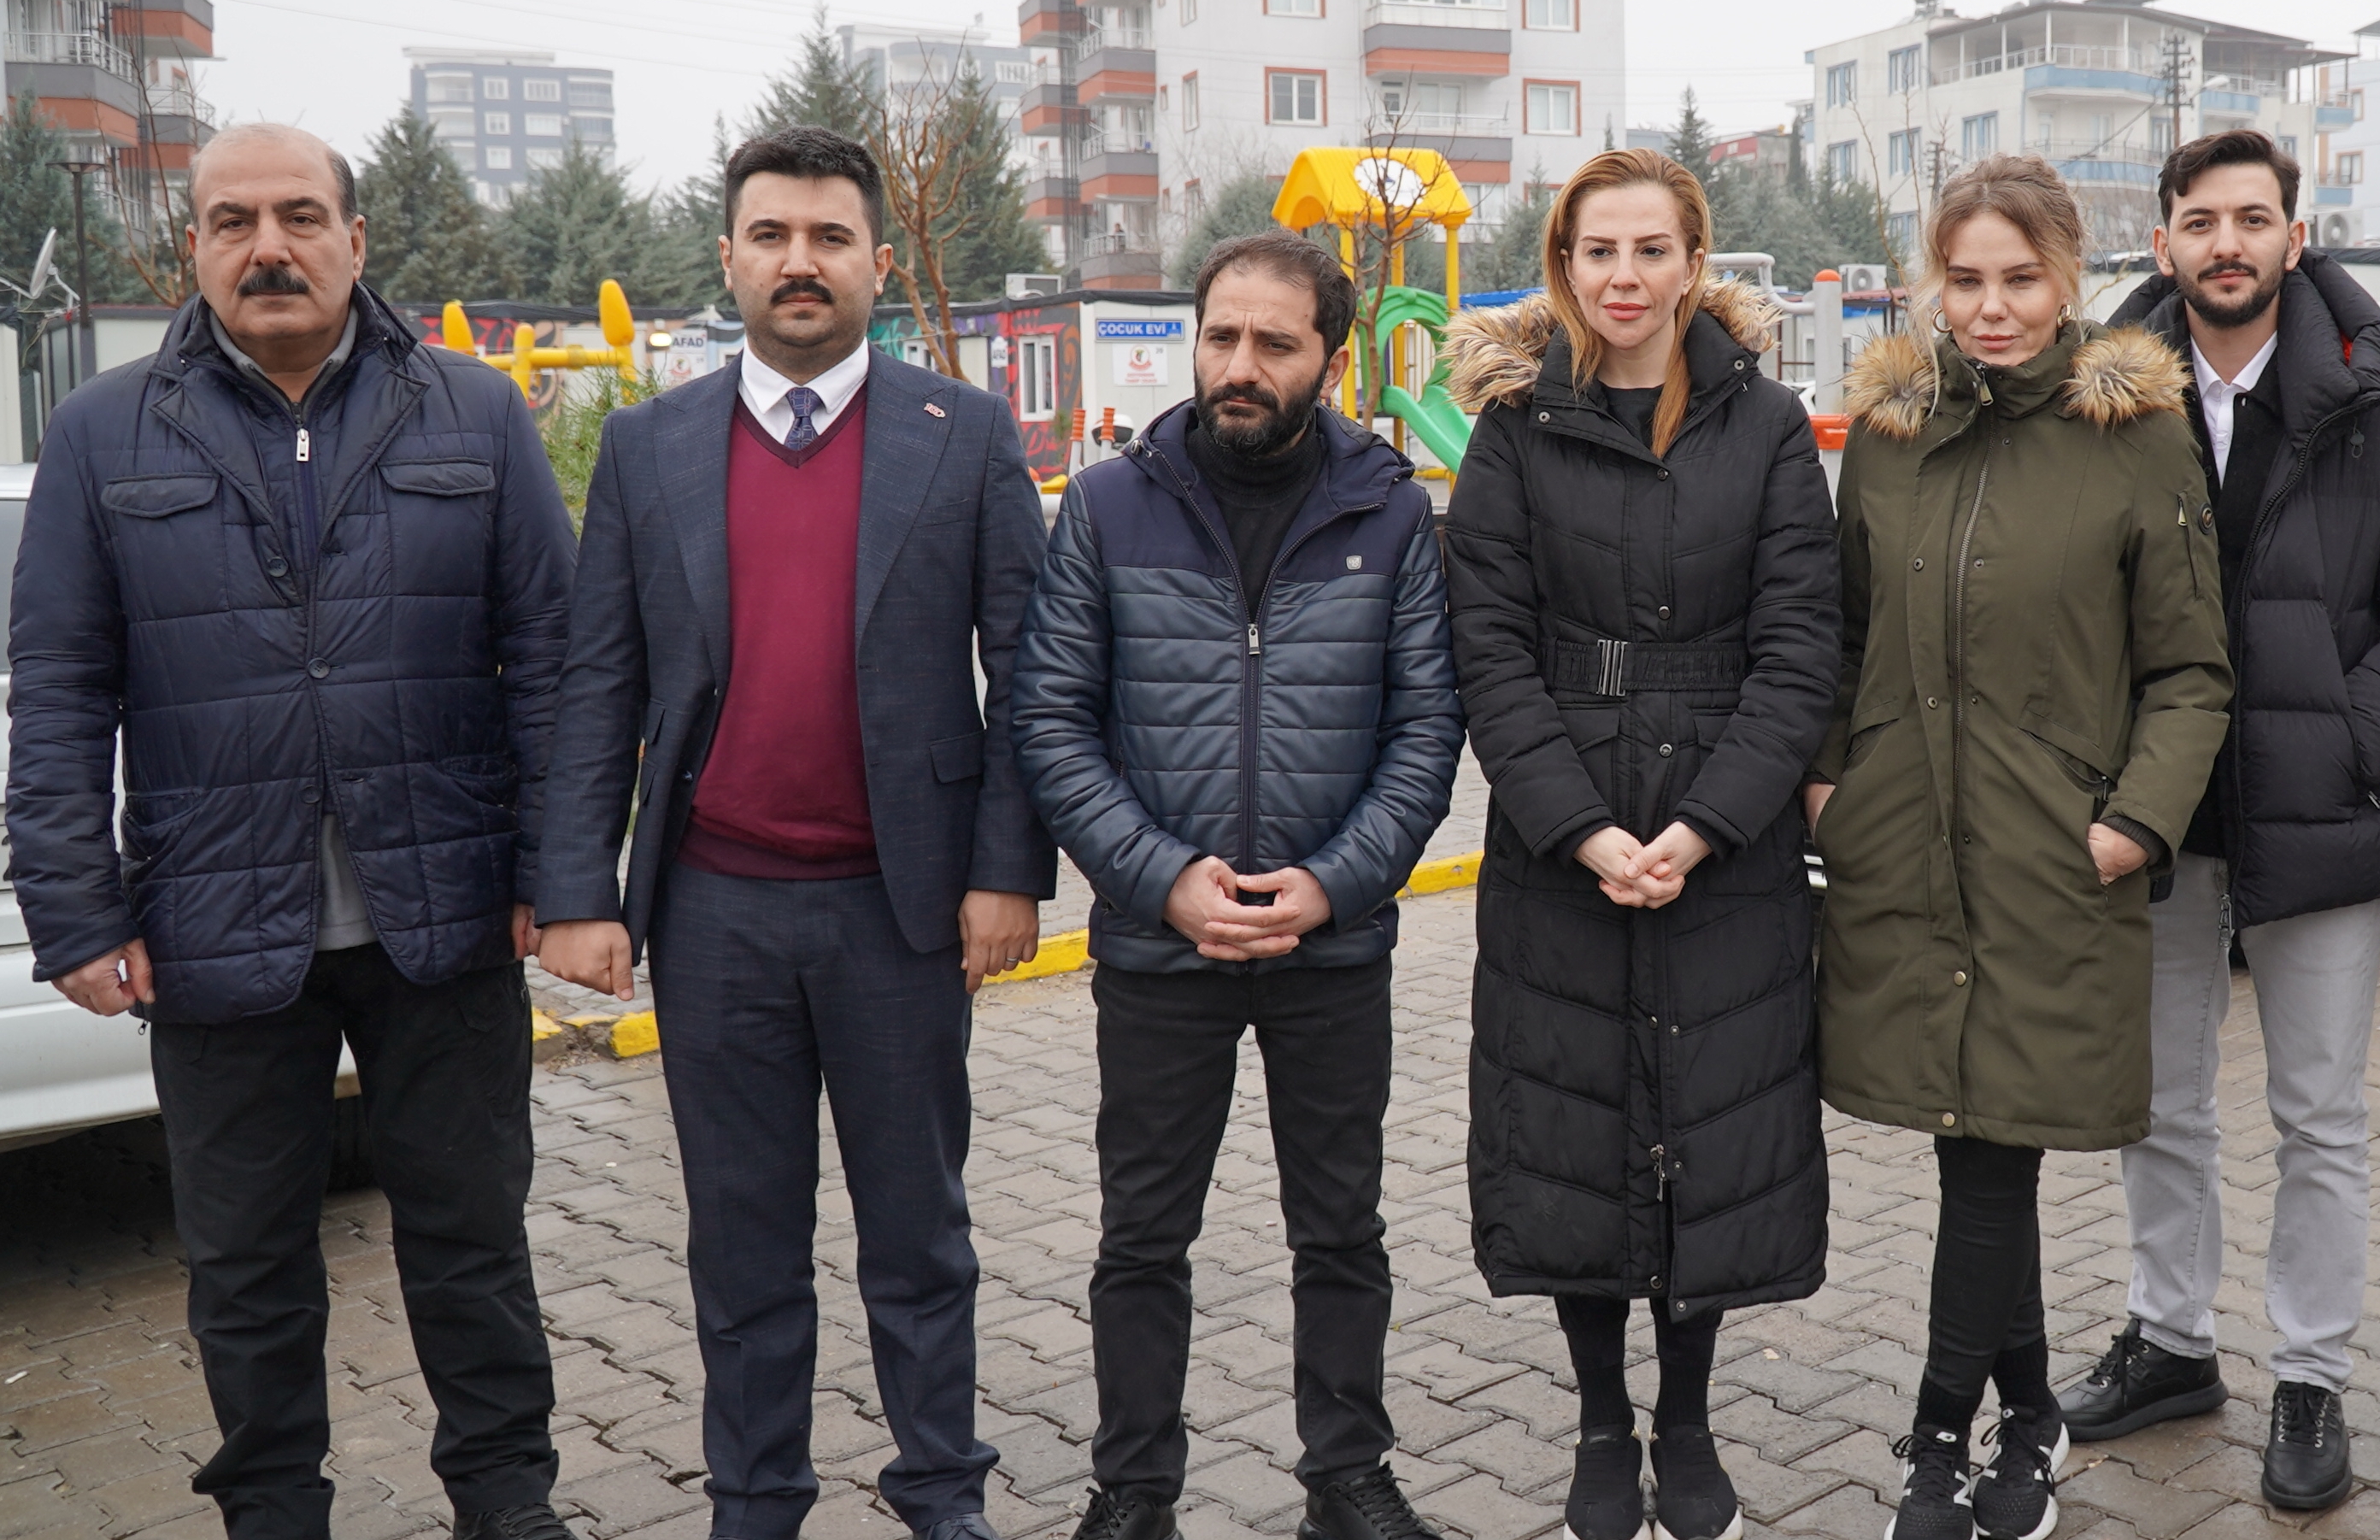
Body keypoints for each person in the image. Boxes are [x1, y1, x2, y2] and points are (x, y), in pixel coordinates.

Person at [9, 124, 576, 1540]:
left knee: (472, 1243)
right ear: (193, 247)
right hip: (212, 930)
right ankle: (272, 1513)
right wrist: (75, 910)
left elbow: (555, 663)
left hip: (446, 919)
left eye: (300, 216)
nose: (269, 247)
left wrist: (562, 874)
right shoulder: (103, 434)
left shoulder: (474, 413)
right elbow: (60, 687)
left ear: (355, 239)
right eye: (234, 221)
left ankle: (507, 1504)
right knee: (247, 1268)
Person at [535, 127, 1056, 1540]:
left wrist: (1006, 870)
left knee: (920, 1236)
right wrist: (578, 887)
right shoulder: (649, 447)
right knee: (742, 1243)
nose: (801, 262)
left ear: (877, 262)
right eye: (772, 236)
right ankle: (755, 1502)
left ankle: (942, 1493)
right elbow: (599, 680)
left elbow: (1031, 672)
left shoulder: (965, 436)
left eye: (830, 237)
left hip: (901, 913)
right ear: (730, 259)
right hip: (716, 914)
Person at [2056, 131, 2380, 1508]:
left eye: (2254, 218)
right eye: (2201, 221)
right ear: (2163, 243)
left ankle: (2309, 1377)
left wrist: (2349, 748)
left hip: (2324, 811)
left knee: (2319, 1113)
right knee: (2158, 1099)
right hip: (2157, 812)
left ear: (2295, 237)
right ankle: (2172, 1341)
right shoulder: (2098, 403)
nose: (2228, 243)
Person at [1012, 230, 1463, 1540]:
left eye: (1275, 342)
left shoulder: (1391, 512)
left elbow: (1426, 731)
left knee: (1342, 1232)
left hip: (1333, 947)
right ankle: (1133, 1494)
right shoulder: (1109, 505)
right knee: (1143, 1239)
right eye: (1221, 337)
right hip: (1163, 948)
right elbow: (1051, 720)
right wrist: (1163, 882)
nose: (1241, 366)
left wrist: (1333, 884)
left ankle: (1348, 1480)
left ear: (1331, 358)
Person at [1807, 156, 2233, 1540]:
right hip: (1907, 853)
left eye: (2022, 279)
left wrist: (2133, 825)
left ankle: (1942, 1438)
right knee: (1977, 1147)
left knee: (1993, 1157)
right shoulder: (1890, 434)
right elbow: (1843, 635)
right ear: (1933, 282)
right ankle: (2032, 1416)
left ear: (2070, 277)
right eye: (1966, 280)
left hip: (2055, 861)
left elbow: (2191, 670)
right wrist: (1829, 785)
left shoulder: (2136, 434)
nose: (1992, 308)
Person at [1440, 150, 1841, 1540]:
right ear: (1564, 264)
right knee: (1575, 1124)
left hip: (1725, 838)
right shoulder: (1515, 428)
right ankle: (1604, 1419)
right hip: (1563, 837)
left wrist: (1706, 824)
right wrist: (1583, 829)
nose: (1624, 277)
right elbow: (1488, 650)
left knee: (1712, 1127)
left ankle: (1690, 1413)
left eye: (1650, 250)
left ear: (1692, 262)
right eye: (1598, 251)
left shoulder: (1766, 423)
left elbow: (1800, 648)